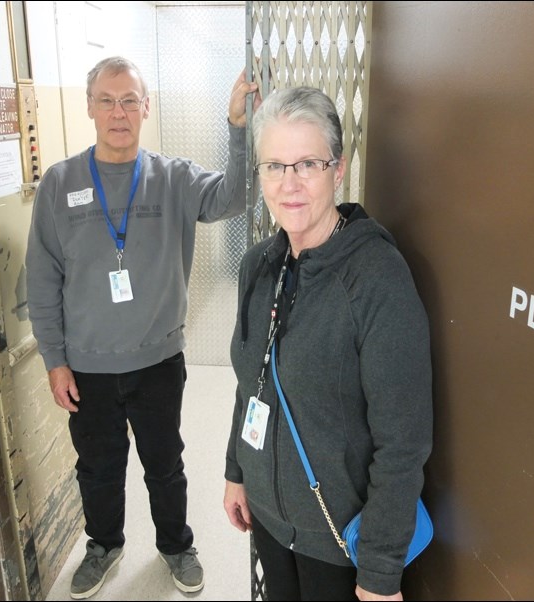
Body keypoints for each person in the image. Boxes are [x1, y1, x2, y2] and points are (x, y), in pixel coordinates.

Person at [26, 56, 260, 600]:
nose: (118, 112)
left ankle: (176, 545)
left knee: (165, 463)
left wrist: (239, 130)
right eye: (107, 100)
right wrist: (54, 360)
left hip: (158, 361)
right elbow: (42, 281)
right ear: (89, 107)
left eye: (130, 100)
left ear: (146, 107)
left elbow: (235, 196)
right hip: (88, 366)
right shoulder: (59, 186)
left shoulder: (173, 178)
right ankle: (104, 545)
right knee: (98, 467)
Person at [223, 86, 433, 601]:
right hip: (269, 521)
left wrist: (380, 573)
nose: (289, 184)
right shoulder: (259, 265)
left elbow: (403, 442)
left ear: (337, 170)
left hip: (338, 542)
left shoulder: (377, 279)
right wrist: (236, 471)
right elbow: (251, 381)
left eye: (307, 164)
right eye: (274, 166)